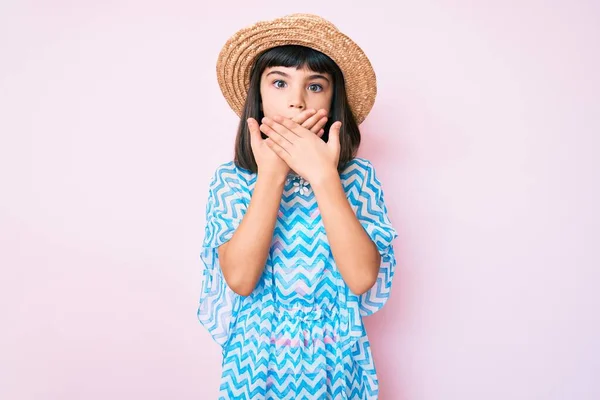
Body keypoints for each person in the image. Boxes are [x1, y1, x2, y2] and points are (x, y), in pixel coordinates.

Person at [197, 13, 399, 399]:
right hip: (255, 365)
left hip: (337, 363)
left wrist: (324, 177)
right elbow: (240, 280)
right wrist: (271, 176)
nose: (296, 100)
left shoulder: (358, 179)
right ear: (258, 97)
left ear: (333, 100)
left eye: (316, 85)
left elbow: (361, 278)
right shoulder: (232, 182)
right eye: (279, 82)